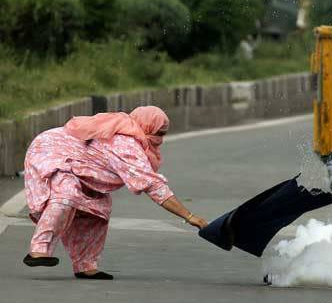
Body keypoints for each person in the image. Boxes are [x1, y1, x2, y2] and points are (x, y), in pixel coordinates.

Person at [22, 106, 208, 280]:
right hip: (51, 152)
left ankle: (85, 265)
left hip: (82, 166)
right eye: (157, 133)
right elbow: (153, 186)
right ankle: (38, 250)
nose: (159, 139)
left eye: (163, 134)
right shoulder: (126, 143)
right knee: (66, 196)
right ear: (146, 127)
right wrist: (189, 216)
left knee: (97, 209)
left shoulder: (132, 136)